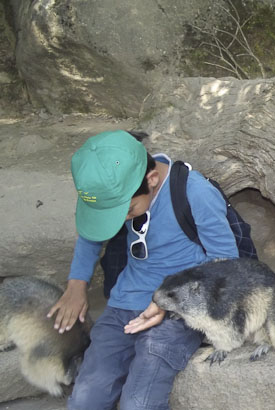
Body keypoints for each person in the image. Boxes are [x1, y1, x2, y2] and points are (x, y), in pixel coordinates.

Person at [47, 130, 239, 410]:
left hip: (180, 312)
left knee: (139, 403)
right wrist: (76, 284)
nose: (120, 221)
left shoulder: (195, 193)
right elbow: (91, 234)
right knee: (86, 399)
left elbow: (227, 265)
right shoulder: (108, 188)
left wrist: (170, 301)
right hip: (125, 302)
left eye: (127, 211)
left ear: (151, 180)